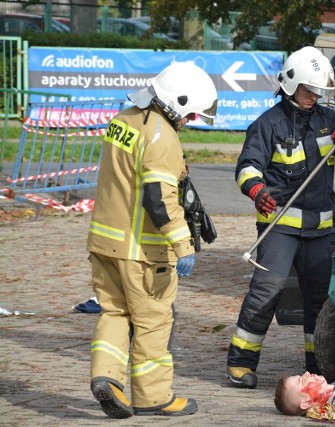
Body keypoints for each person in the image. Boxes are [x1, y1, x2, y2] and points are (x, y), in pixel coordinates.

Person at [226, 46, 335, 389]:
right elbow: (247, 168)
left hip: (319, 230)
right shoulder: (268, 125)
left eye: (318, 91)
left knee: (319, 301)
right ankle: (240, 363)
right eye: (308, 90)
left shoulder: (328, 118)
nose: (313, 97)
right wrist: (257, 191)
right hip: (281, 228)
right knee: (267, 290)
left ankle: (316, 364)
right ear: (291, 85)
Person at [87, 61, 218, 418]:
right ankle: (153, 396)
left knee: (114, 312)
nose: (189, 121)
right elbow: (160, 200)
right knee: (153, 322)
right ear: (176, 102)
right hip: (142, 252)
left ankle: (106, 377)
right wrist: (183, 246)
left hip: (103, 243)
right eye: (190, 113)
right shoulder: (161, 135)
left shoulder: (123, 120)